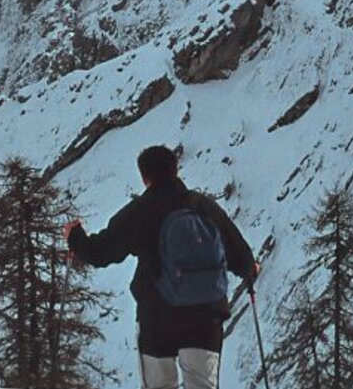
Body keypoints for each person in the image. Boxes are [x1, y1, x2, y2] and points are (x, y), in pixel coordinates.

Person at [65, 145, 259, 389]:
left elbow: (100, 252)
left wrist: (75, 237)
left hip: (158, 315)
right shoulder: (204, 207)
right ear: (176, 170)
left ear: (144, 177)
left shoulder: (140, 211)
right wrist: (251, 270)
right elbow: (241, 256)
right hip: (206, 315)